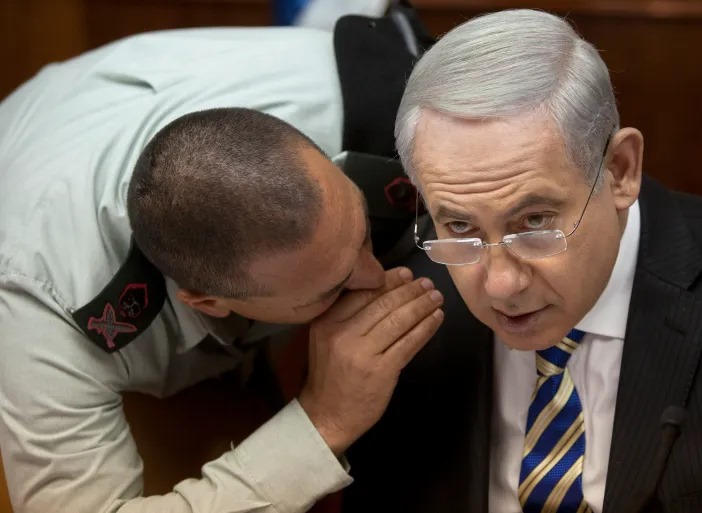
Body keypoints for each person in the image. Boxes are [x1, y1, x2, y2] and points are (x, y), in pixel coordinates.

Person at [0, 13, 444, 513]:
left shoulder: (378, 104)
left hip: (114, 89)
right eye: (331, 287)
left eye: (359, 230)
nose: (374, 276)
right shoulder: (43, 319)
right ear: (206, 302)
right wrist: (324, 421)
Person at [341, 9, 702, 513]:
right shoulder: (395, 322)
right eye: (459, 226)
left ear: (620, 170)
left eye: (534, 222)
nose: (501, 286)